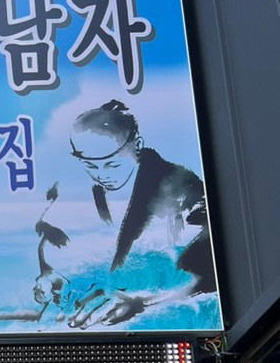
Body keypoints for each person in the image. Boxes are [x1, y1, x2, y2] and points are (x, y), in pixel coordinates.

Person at [68, 99, 215, 294]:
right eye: (90, 165)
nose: (101, 175)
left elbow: (209, 273)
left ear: (137, 145)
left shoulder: (182, 187)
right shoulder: (96, 191)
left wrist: (147, 303)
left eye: (112, 164)